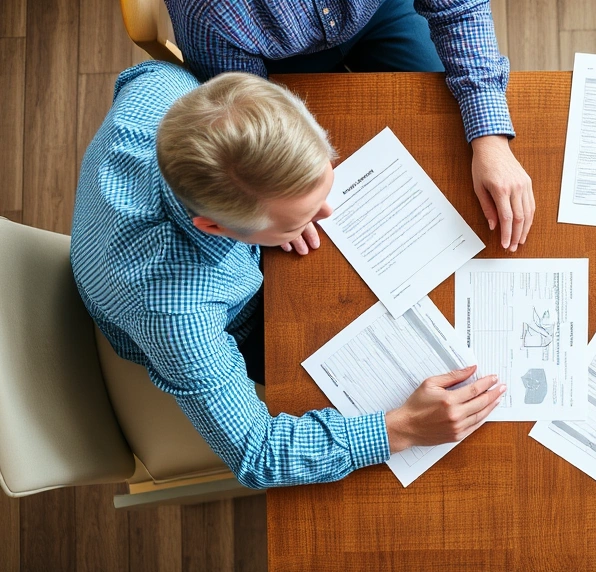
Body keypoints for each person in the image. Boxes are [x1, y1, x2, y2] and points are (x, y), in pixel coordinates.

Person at [70, 60, 505, 489]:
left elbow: (143, 78)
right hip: (216, 324)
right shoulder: (175, 312)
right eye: (301, 217)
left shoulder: (159, 85)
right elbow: (257, 454)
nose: (327, 213)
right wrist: (402, 428)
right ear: (217, 226)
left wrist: (280, 218)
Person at [164, 0, 536, 253]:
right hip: (275, 62)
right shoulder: (207, 10)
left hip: (383, 9)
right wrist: (283, 204)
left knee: (437, 130)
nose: (327, 211)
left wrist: (490, 138)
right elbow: (244, 103)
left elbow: (458, 8)